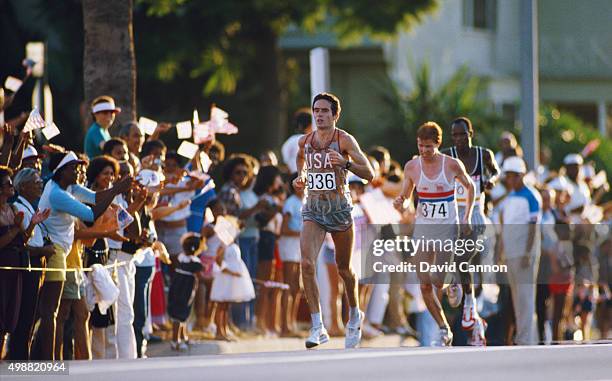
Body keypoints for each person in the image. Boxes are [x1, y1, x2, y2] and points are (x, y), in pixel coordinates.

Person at [293, 92, 375, 349]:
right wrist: (300, 177)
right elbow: (300, 159)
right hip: (314, 208)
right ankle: (318, 325)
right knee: (306, 263)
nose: (319, 115)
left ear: (335, 115)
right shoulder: (305, 141)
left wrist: (346, 164)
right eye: (316, 110)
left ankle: (354, 314)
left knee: (344, 269)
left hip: (339, 209)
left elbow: (370, 174)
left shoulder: (345, 140)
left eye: (324, 111)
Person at [32, 151, 131, 360]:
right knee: (52, 312)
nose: (78, 171)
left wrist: (113, 191)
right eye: (74, 168)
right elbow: (90, 215)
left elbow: (94, 198)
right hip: (55, 252)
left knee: (65, 312)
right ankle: (50, 362)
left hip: (64, 252)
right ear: (62, 171)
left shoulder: (69, 186)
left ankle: (54, 359)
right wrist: (117, 190)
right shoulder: (57, 194)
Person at [393, 122, 475, 347]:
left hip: (447, 228)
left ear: (438, 144)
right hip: (424, 229)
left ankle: (452, 281)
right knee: (425, 286)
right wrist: (401, 202)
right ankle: (443, 328)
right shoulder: (412, 166)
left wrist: (466, 215)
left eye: (428, 147)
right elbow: (406, 195)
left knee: (438, 281)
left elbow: (470, 187)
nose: (424, 151)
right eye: (420, 146)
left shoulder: (451, 165)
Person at [443, 116, 500, 345]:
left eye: (462, 134)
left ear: (471, 133)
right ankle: (475, 323)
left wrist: (490, 180)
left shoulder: (482, 154)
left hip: (475, 212)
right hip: (453, 212)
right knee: (468, 271)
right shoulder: (448, 155)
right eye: (455, 135)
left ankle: (458, 283)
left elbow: (495, 172)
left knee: (465, 256)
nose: (459, 139)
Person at [1, 167, 50, 359]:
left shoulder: (12, 209)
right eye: (7, 183)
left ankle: (19, 360)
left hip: (18, 268)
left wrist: (32, 224)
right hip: (5, 268)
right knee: (6, 316)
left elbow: (23, 239)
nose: (11, 186)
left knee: (18, 316)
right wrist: (15, 229)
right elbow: (10, 240)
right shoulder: (16, 208)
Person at [499, 156, 542, 345]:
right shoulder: (509, 198)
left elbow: (533, 227)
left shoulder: (532, 196)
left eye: (514, 176)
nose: (511, 179)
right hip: (510, 253)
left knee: (526, 298)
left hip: (524, 254)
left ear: (522, 175)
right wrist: (500, 252)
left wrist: (528, 252)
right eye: (508, 176)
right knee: (517, 299)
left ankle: (526, 339)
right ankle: (526, 337)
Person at [210, 229, 256, 341]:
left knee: (226, 306)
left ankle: (225, 330)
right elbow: (219, 262)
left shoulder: (233, 245)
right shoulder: (222, 246)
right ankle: (218, 331)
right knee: (221, 305)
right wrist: (232, 272)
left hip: (231, 281)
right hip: (224, 279)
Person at [168, 233, 204, 351]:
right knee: (180, 315)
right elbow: (201, 275)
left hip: (176, 288)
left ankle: (184, 337)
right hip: (186, 291)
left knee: (181, 314)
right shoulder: (195, 263)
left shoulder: (181, 258)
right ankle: (175, 340)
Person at [278, 173, 304, 337]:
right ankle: (284, 326)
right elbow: (284, 229)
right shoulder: (290, 203)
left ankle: (292, 323)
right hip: (289, 246)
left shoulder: (305, 202)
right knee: (289, 286)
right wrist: (303, 233)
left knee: (297, 288)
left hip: (300, 248)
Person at [282, 108, 313, 174]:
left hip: (295, 177)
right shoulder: (314, 140)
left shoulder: (290, 141)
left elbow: (285, 163)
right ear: (310, 125)